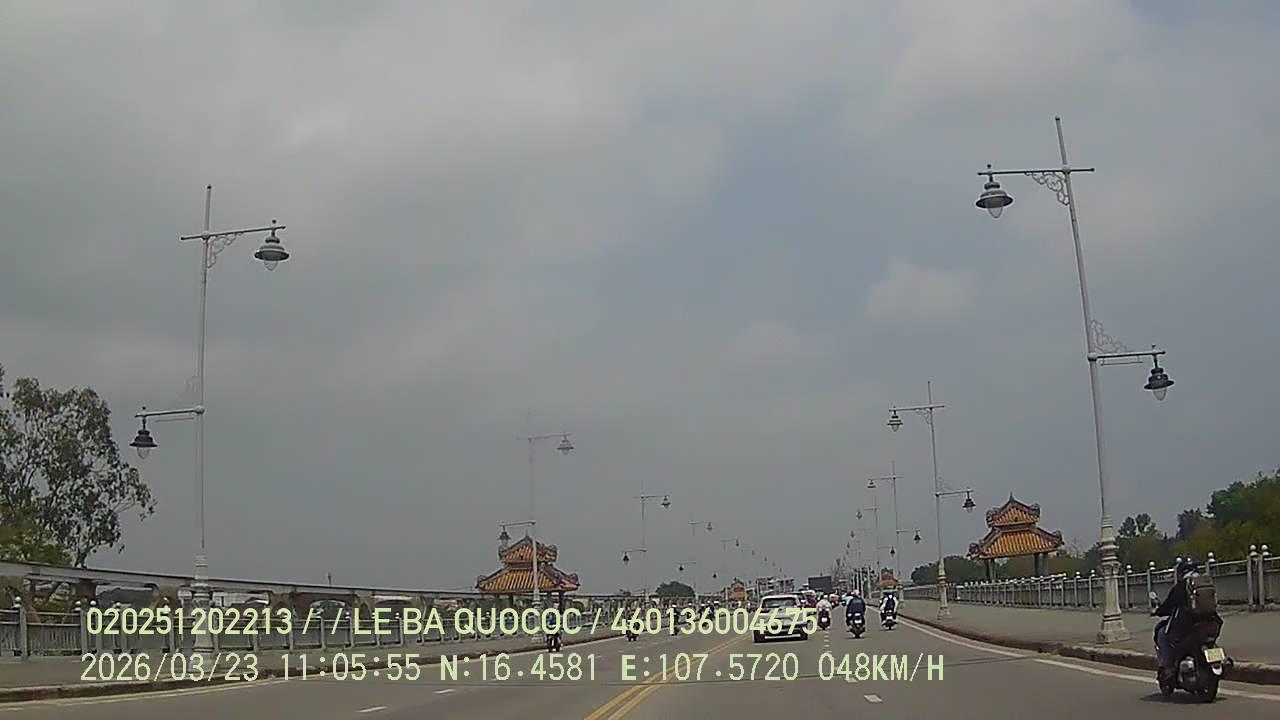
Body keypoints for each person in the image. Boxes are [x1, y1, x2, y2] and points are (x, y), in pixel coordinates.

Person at [1152, 558, 1199, 674]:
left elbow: (1169, 605)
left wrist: (1158, 611)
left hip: (1187, 625)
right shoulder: (1205, 583)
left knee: (1162, 634)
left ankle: (1168, 667)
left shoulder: (1181, 586)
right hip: (1211, 621)